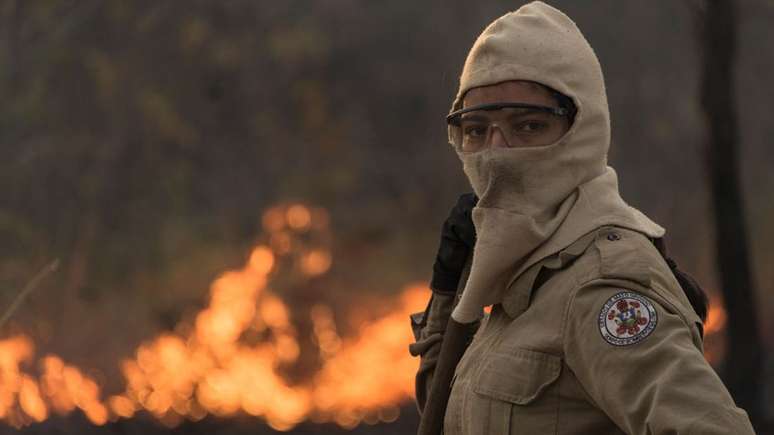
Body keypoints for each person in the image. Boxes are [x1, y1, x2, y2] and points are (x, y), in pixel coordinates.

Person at [409, 2, 756, 434]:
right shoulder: (518, 273)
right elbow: (447, 415)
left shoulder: (601, 284)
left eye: (528, 126)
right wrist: (448, 290)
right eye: (477, 129)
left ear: (582, 130)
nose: (497, 153)